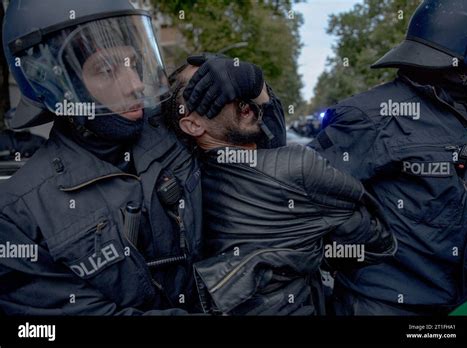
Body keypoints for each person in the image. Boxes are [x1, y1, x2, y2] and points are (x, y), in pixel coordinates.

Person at [0, 0, 285, 315]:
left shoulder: (176, 129)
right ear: (52, 83)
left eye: (133, 63)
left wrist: (255, 92)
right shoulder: (18, 217)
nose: (135, 83)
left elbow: (270, 166)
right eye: (108, 70)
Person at [164, 63, 397, 315]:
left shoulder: (184, 175)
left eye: (233, 80)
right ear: (193, 125)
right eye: (209, 89)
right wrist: (309, 252)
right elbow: (379, 243)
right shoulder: (296, 167)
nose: (234, 91)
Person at [309, 0, 467, 315]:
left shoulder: (466, 116)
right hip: (382, 305)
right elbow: (296, 192)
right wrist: (348, 241)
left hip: (459, 305)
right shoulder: (369, 115)